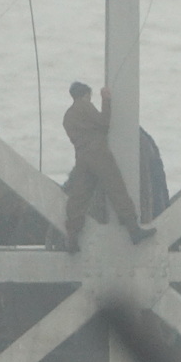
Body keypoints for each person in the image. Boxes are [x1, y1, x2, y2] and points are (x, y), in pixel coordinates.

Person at [61, 81, 154, 249]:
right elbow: (104, 122)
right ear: (85, 95)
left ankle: (72, 238)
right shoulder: (85, 106)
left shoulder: (67, 116)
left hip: (81, 156)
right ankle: (133, 230)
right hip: (98, 154)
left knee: (79, 196)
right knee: (116, 188)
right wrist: (106, 100)